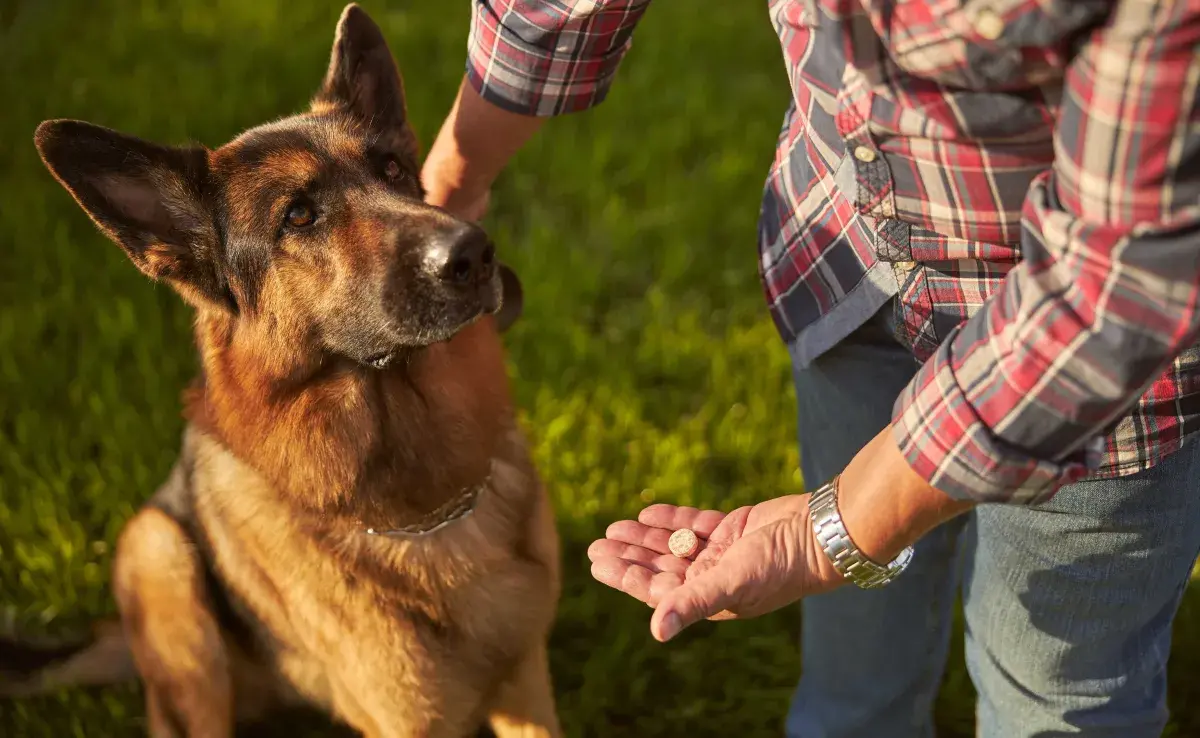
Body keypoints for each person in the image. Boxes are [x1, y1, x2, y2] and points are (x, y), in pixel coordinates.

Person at [419, 2, 1200, 736]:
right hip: (848, 265)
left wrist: (830, 532)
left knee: (1054, 691)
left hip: (1106, 400)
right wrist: (454, 179)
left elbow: (1115, 293)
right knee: (858, 651)